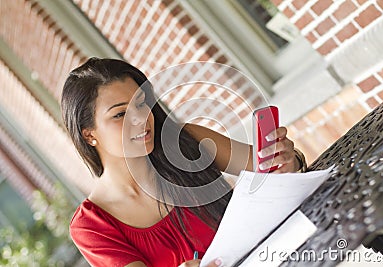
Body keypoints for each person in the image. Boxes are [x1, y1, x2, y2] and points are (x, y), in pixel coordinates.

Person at [61, 57, 306, 267]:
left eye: (140, 103)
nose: (141, 118)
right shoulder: (91, 226)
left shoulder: (187, 142)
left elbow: (274, 168)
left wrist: (288, 160)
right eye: (120, 114)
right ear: (89, 134)